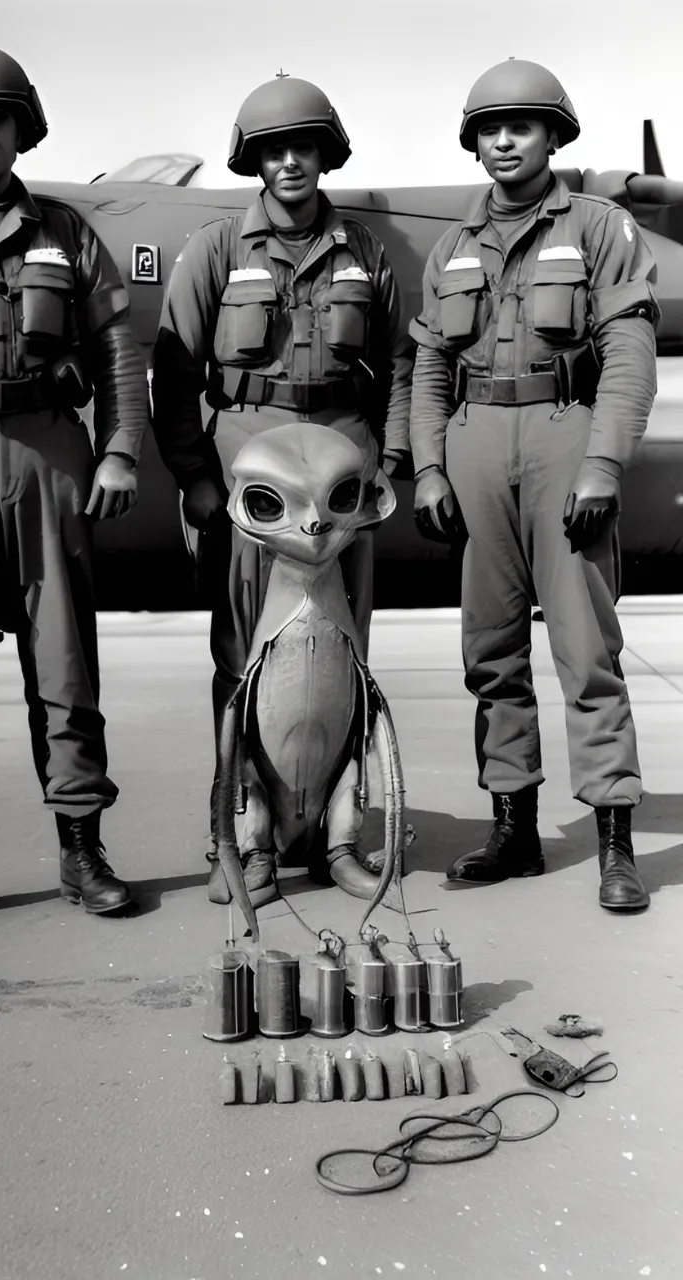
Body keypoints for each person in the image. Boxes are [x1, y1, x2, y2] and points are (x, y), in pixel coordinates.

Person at [151, 74, 413, 905]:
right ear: (253, 160)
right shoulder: (217, 248)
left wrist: (390, 465)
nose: (289, 161)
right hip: (248, 473)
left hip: (340, 474)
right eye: (273, 148)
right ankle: (248, 837)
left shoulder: (365, 254)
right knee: (241, 662)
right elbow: (173, 369)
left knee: (346, 660)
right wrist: (195, 476)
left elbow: (399, 372)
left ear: (325, 152)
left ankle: (341, 836)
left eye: (303, 145)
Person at [408, 58, 659, 912]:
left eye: (521, 125)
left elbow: (628, 355)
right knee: (491, 654)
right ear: (474, 143)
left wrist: (602, 462)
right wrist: (432, 465)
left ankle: (615, 841)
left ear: (555, 134)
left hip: (562, 434)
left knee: (588, 652)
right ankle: (513, 830)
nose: (504, 140)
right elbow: (430, 368)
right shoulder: (451, 245)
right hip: (476, 444)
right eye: (490, 128)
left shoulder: (598, 227)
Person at [0, 43, 149, 936]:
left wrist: (119, 451)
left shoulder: (65, 231)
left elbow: (117, 356)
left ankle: (82, 849)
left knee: (64, 669)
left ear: (22, 130)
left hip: (52, 460)